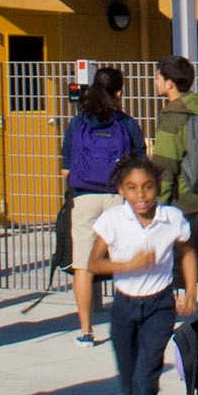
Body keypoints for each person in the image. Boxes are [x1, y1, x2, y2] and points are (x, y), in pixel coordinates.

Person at [84, 153, 196, 395]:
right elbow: (94, 263)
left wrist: (188, 291)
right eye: (132, 188)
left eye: (147, 187)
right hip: (124, 306)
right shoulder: (113, 221)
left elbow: (187, 251)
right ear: (121, 190)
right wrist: (128, 266)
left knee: (146, 381)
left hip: (159, 307)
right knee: (130, 383)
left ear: (158, 187)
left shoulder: (172, 218)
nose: (141, 195)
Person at [64, 68, 145, 340]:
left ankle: (85, 331)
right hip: (116, 197)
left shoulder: (78, 122)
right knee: (123, 261)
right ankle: (129, 324)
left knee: (83, 266)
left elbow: (66, 168)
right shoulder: (126, 123)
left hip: (83, 196)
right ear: (119, 92)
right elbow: (139, 162)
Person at [150, 55, 198, 281]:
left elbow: (165, 166)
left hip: (184, 204)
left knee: (174, 268)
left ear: (169, 83)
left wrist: (157, 206)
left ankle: (173, 312)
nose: (155, 82)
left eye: (157, 78)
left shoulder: (173, 118)